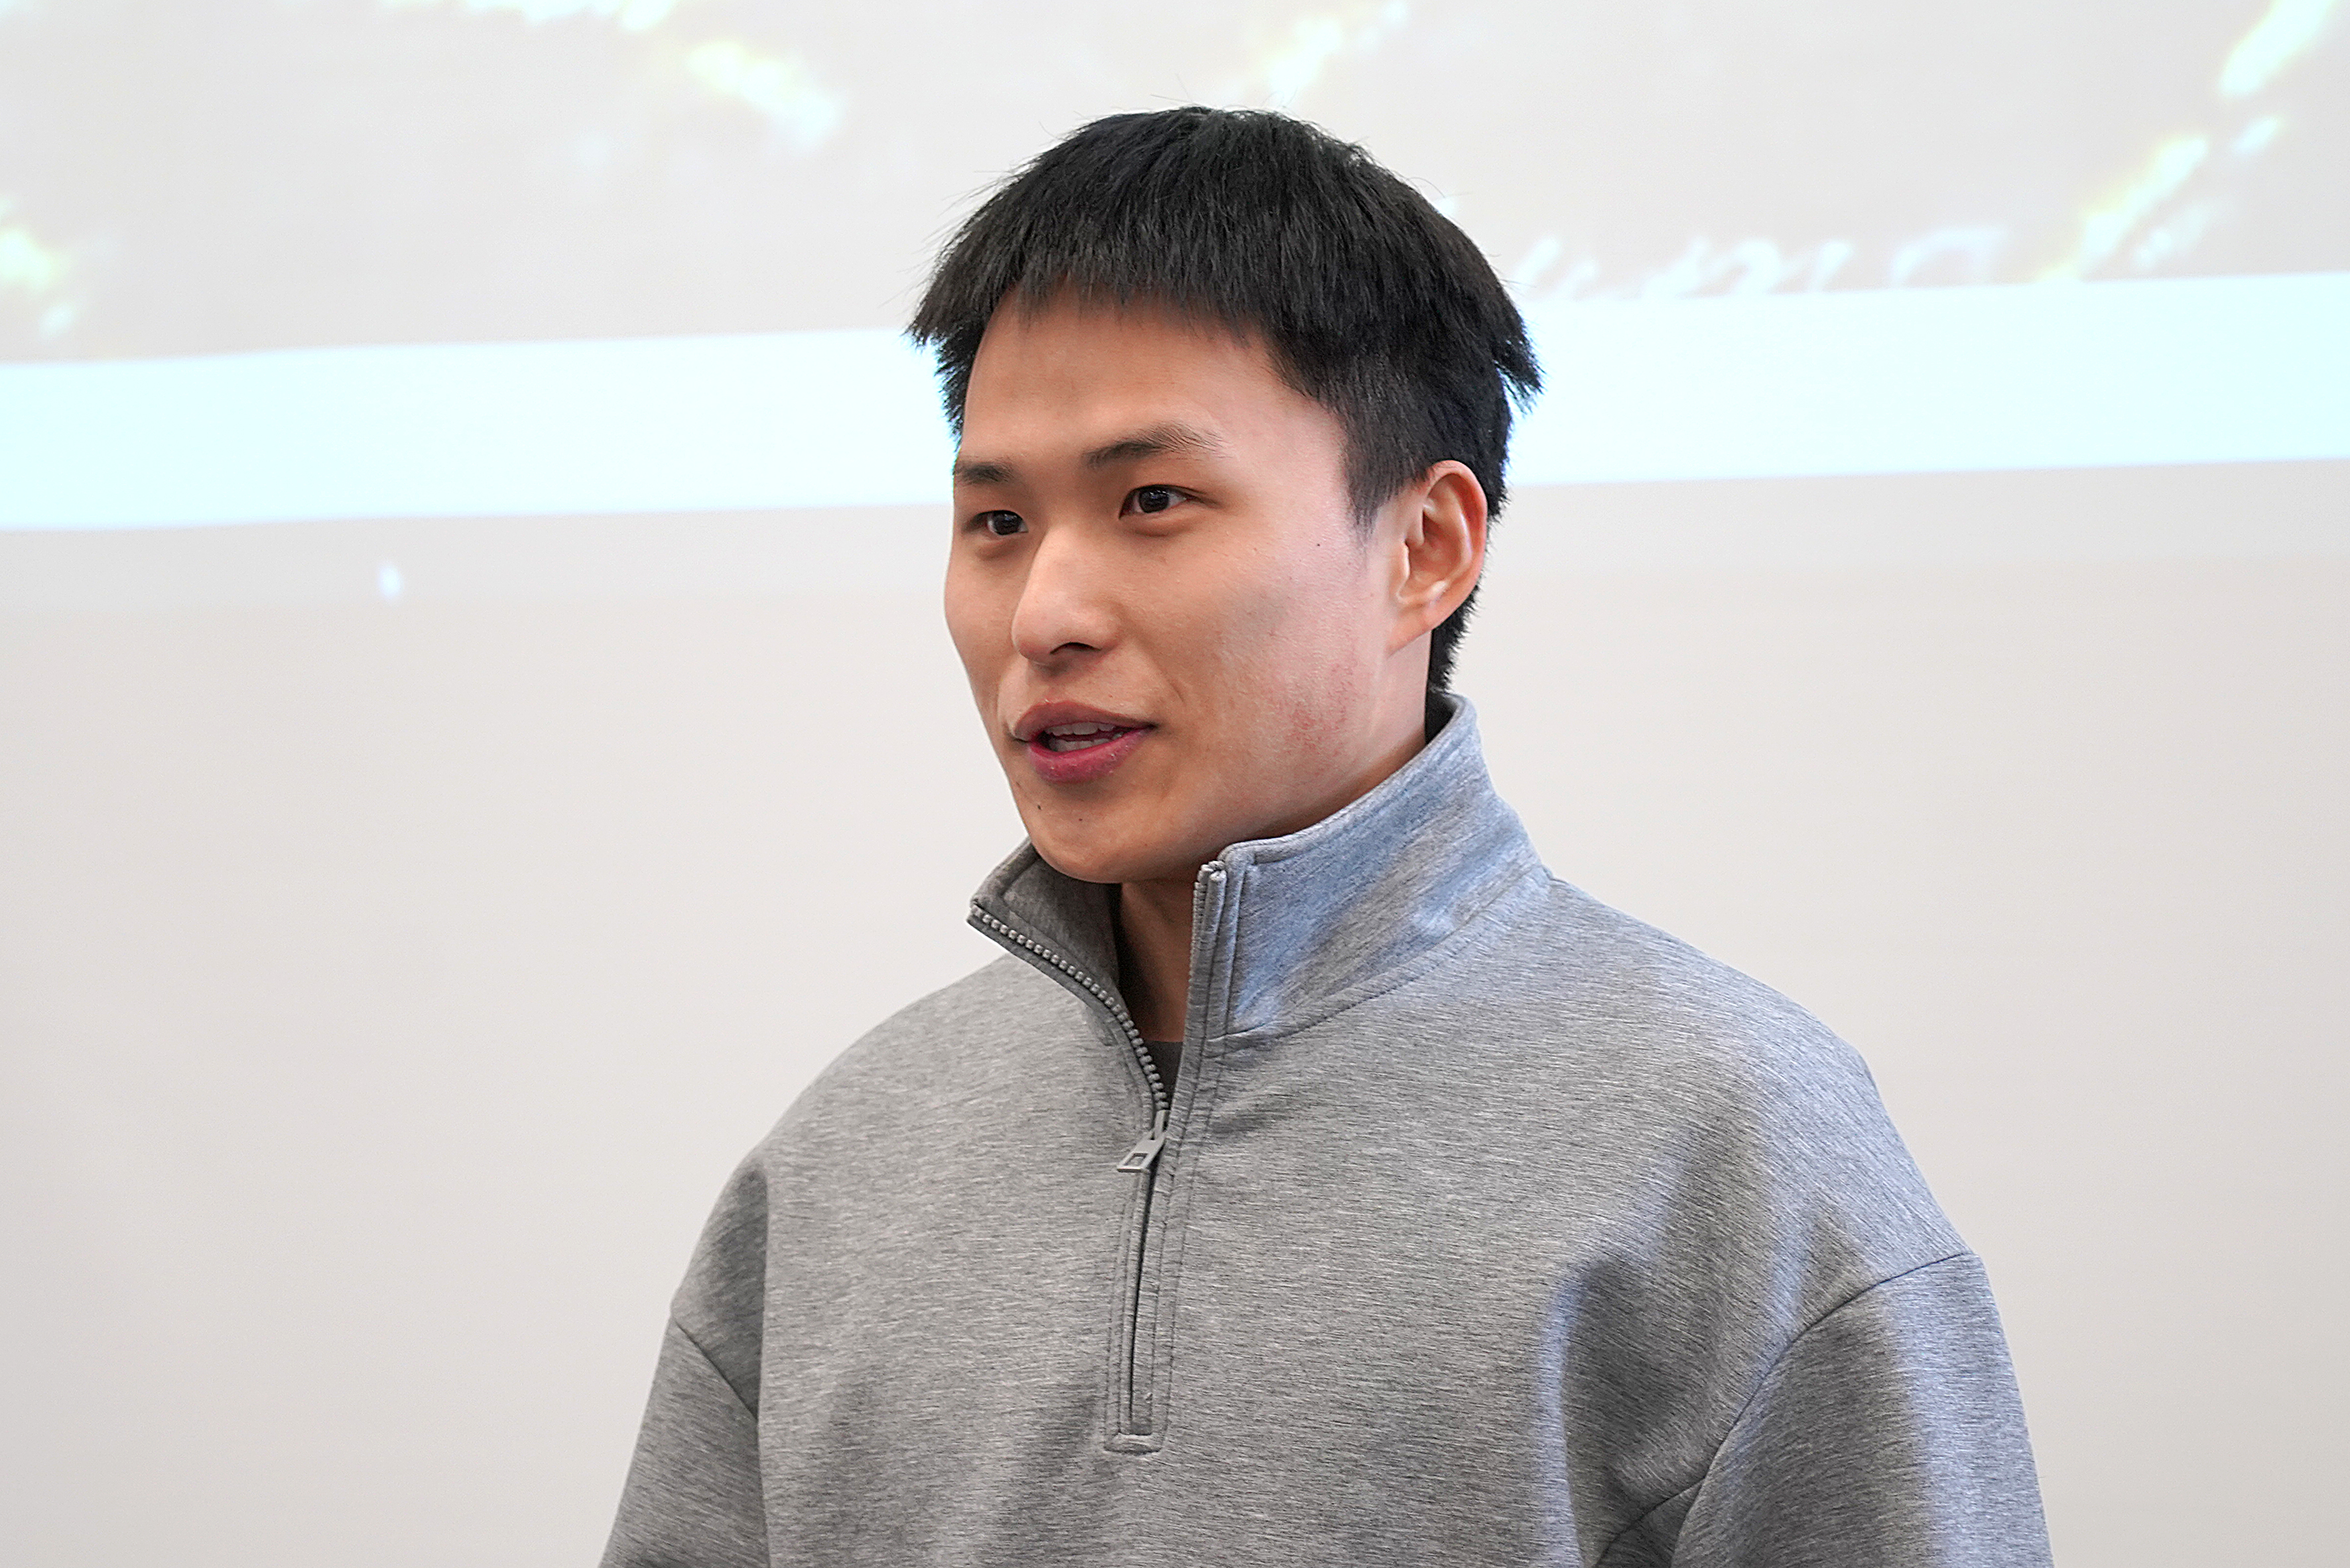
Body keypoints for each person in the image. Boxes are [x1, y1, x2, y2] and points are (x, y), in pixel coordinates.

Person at [602, 107, 2050, 1567]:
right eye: (996, 525)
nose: (1044, 615)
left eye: (1152, 501)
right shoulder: (849, 1154)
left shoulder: (1729, 1146)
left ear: (1425, 548)